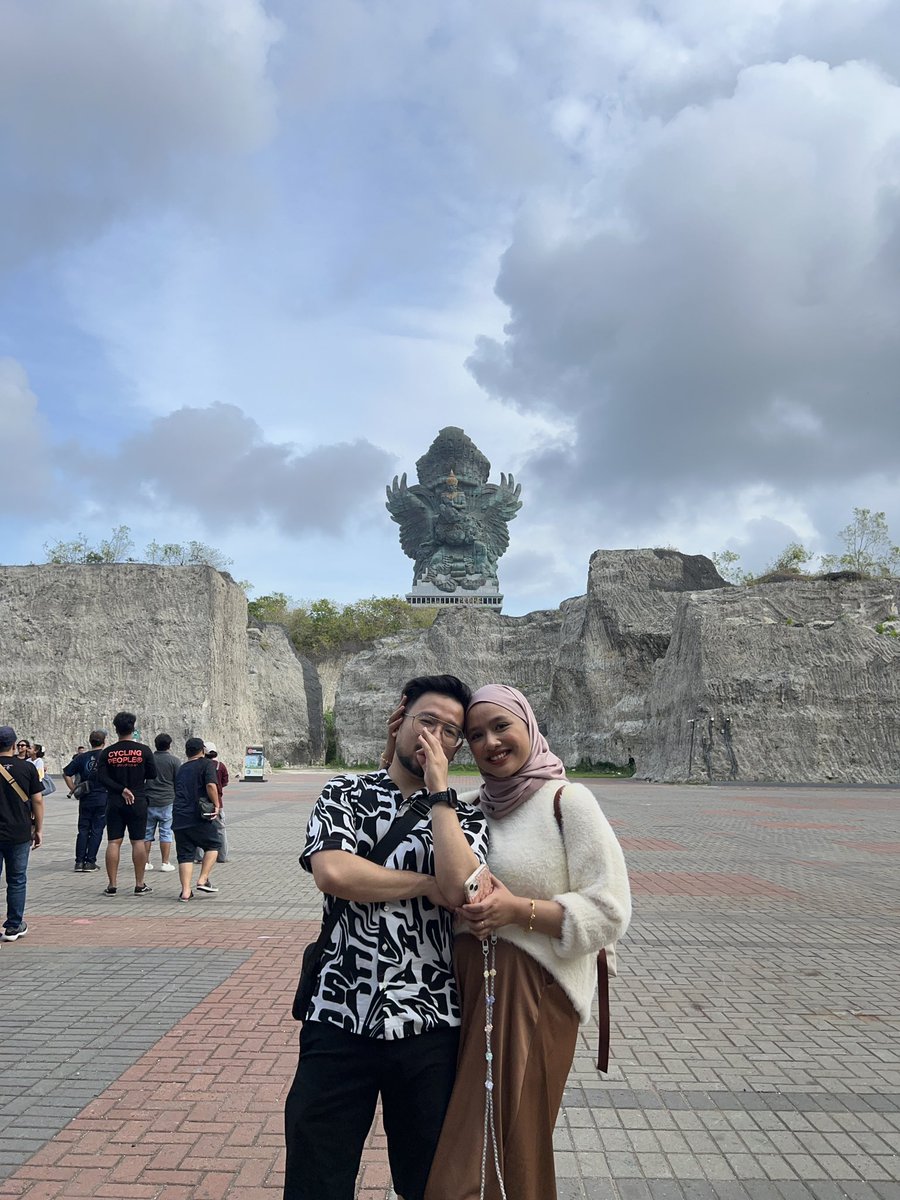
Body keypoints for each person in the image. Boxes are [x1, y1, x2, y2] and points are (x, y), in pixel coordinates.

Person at [420, 685, 631, 1200]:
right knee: (488, 1133)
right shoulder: (471, 808)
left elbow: (610, 910)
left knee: (506, 1135)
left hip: (533, 992)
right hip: (468, 991)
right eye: (475, 735)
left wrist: (519, 911)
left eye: (501, 726)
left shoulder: (567, 801)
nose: (490, 742)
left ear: (528, 726)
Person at [282, 675, 488, 1200]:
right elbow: (334, 873)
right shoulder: (346, 792)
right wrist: (424, 884)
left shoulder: (466, 817)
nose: (435, 737)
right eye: (427, 721)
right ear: (401, 718)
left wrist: (440, 795)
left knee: (429, 1182)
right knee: (316, 1175)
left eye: (451, 731)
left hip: (430, 1021)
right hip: (339, 1013)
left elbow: (461, 890)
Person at [94, 711, 158, 896]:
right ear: (133, 728)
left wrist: (121, 789)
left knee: (114, 841)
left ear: (116, 729)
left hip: (114, 800)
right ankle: (139, 884)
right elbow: (152, 774)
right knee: (138, 840)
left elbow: (101, 777)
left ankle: (112, 885)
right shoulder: (144, 750)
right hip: (138, 798)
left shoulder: (108, 752)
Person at [0, 725, 44, 941]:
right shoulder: (27, 768)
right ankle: (13, 925)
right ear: (14, 745)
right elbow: (37, 800)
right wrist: (39, 829)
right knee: (17, 879)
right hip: (19, 831)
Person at [172, 738, 222, 901]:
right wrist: (216, 804)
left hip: (179, 816)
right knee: (213, 844)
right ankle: (202, 879)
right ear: (202, 751)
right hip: (198, 815)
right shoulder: (206, 764)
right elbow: (211, 786)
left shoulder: (181, 768)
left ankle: (185, 891)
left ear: (187, 752)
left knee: (185, 855)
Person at [63, 729, 109, 871]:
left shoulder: (81, 757)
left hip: (86, 798)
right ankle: (90, 861)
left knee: (83, 829)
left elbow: (66, 773)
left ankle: (79, 862)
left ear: (90, 742)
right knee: (97, 830)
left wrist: (74, 788)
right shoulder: (107, 757)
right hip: (102, 797)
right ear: (104, 742)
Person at [143, 733, 180, 872]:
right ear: (169, 745)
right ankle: (165, 862)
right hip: (167, 800)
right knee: (166, 832)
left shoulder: (148, 759)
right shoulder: (174, 761)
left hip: (149, 800)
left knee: (146, 833)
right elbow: (178, 782)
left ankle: (145, 862)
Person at [202, 743, 229, 863]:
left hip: (202, 802)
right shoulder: (220, 766)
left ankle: (198, 857)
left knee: (200, 828)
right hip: (218, 801)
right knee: (220, 830)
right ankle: (222, 856)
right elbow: (225, 782)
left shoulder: (201, 765)